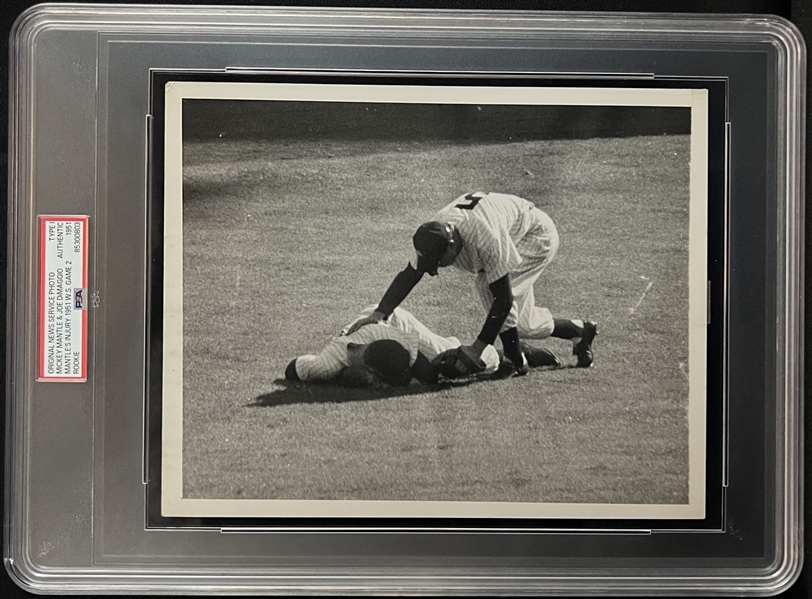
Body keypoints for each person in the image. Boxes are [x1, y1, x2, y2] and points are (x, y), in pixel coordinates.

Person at [347, 191, 597, 377]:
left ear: (453, 246)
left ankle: (514, 361)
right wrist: (380, 313)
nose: (433, 271)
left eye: (438, 262)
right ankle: (579, 330)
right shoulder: (433, 234)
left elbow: (503, 299)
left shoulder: (484, 237)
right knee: (524, 324)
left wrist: (477, 348)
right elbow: (410, 274)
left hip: (535, 236)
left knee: (493, 294)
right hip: (516, 232)